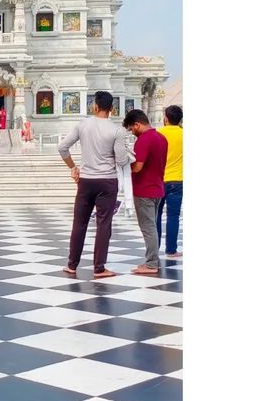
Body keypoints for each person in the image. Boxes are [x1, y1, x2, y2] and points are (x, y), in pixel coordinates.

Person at [58, 90, 130, 279]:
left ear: (94, 106)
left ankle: (72, 265)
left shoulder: (83, 125)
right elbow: (122, 160)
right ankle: (99, 268)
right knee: (103, 224)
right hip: (107, 182)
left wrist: (73, 167)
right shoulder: (117, 130)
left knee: (79, 223)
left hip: (86, 180)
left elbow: (62, 147)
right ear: (112, 109)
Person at [122, 108, 168, 276]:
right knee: (152, 226)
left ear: (137, 124)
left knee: (148, 228)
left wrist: (124, 164)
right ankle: (152, 260)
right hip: (157, 187)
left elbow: (138, 166)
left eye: (131, 129)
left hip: (144, 190)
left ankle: (151, 263)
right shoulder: (161, 138)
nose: (132, 133)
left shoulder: (144, 140)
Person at [156, 105, 183, 257]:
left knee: (156, 216)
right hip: (177, 180)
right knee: (173, 216)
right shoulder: (183, 134)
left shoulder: (158, 133)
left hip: (159, 180)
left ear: (165, 118)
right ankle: (171, 249)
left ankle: (155, 249)